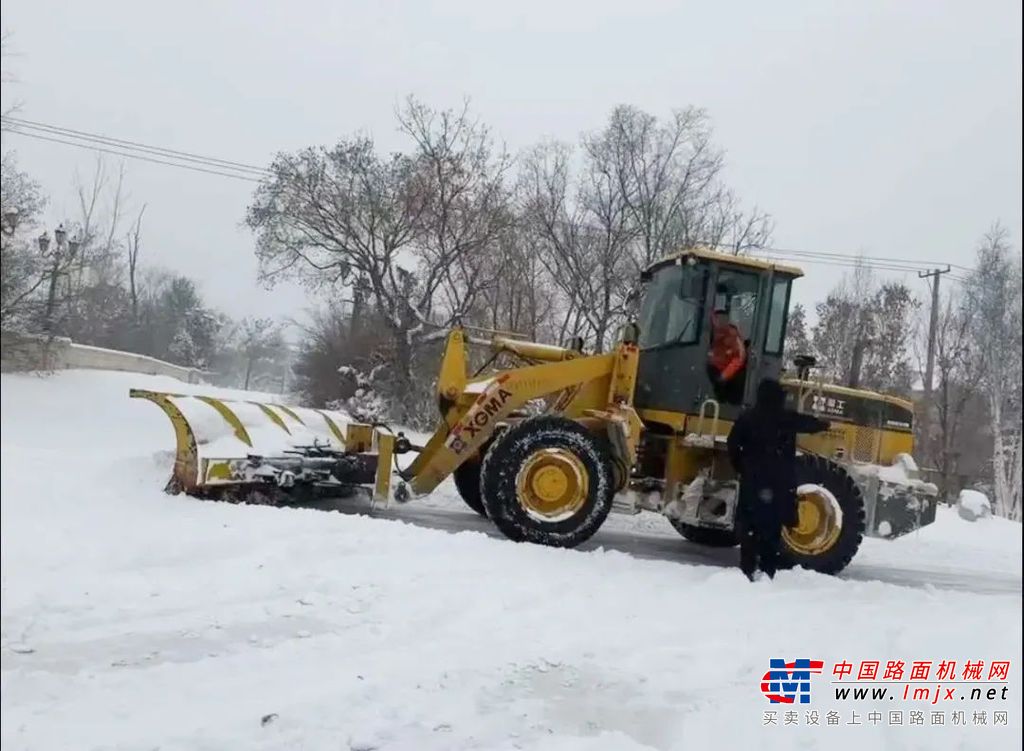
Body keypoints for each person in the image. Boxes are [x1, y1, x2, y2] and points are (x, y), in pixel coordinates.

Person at [727, 378, 830, 581]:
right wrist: (824, 424)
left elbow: (732, 444)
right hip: (778, 485)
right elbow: (807, 424)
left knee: (749, 529)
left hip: (753, 483)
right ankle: (767, 571)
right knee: (772, 530)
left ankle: (747, 570)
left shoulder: (747, 418)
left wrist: (741, 467)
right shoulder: (786, 418)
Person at [707, 308, 747, 403]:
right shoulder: (709, 334)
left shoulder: (732, 335)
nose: (719, 322)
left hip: (727, 378)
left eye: (723, 319)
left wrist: (723, 376)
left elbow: (739, 359)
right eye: (716, 319)